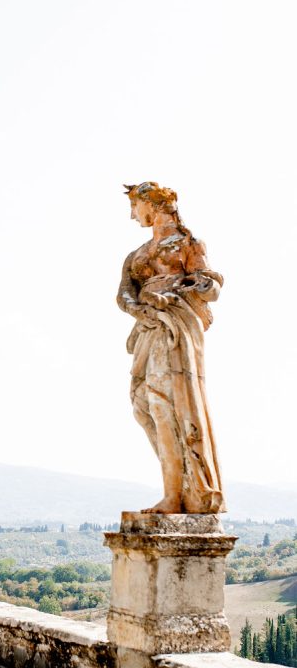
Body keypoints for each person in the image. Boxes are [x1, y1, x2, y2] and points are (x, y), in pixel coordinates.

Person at [118, 182, 225, 514]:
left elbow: (211, 286)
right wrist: (144, 309)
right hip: (149, 327)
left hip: (176, 326)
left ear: (150, 204)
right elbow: (123, 294)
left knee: (164, 402)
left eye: (134, 206)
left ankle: (176, 495)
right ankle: (177, 486)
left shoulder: (188, 244)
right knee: (142, 404)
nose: (132, 214)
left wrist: (196, 285)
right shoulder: (137, 254)